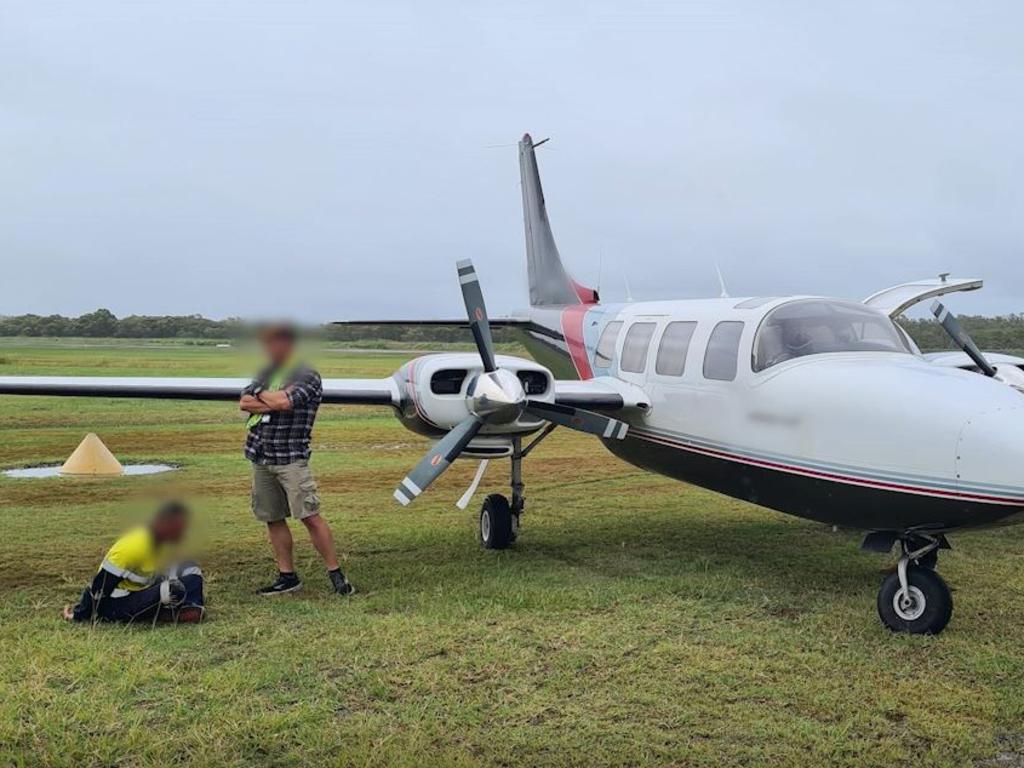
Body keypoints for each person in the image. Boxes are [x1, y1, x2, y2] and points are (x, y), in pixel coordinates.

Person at [239, 323, 354, 596]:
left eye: (274, 344)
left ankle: (336, 575)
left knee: (310, 516)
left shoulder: (308, 376)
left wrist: (262, 395)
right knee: (273, 517)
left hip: (291, 458)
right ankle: (287, 576)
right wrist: (269, 397)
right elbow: (244, 402)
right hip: (261, 455)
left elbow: (283, 403)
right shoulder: (267, 373)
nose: (269, 350)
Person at [64, 500, 204, 624]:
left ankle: (190, 607)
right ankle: (166, 614)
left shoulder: (163, 542)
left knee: (189, 566)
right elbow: (98, 587)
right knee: (173, 589)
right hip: (116, 603)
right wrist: (78, 615)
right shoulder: (131, 546)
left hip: (140, 590)